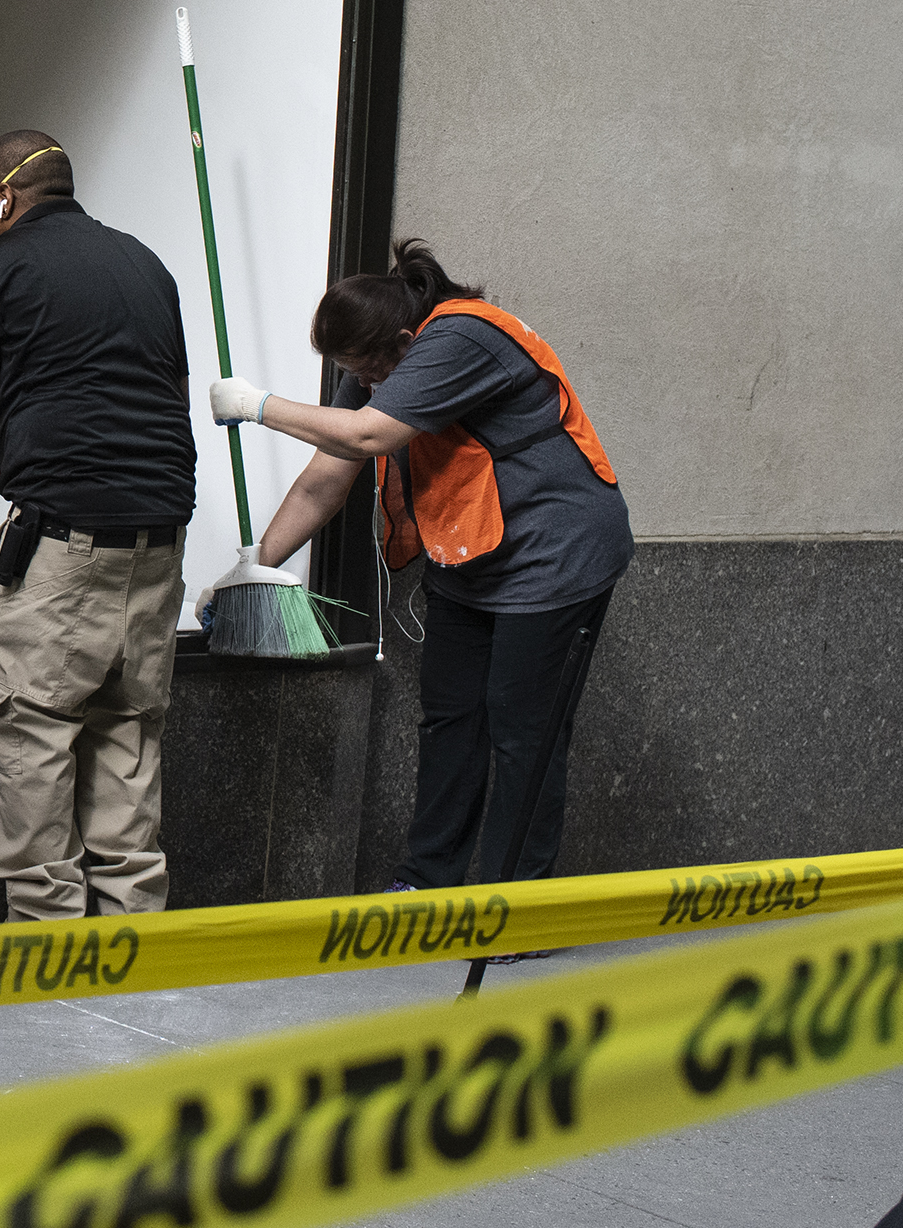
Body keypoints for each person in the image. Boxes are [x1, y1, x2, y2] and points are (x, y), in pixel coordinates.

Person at [216, 240, 633, 890]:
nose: (362, 384)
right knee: (451, 721)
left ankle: (512, 903)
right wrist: (251, 566)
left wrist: (256, 405)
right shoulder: (380, 365)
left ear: (405, 342)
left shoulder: (460, 337)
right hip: (471, 554)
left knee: (523, 733)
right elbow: (324, 480)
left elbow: (368, 436)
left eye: (366, 371)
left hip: (556, 555)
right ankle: (426, 883)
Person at [0, 130, 198, 919]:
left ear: (4, 197)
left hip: (63, 546)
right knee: (128, 738)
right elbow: (163, 395)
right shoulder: (147, 265)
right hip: (160, 542)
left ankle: (47, 967)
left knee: (32, 735)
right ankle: (133, 949)